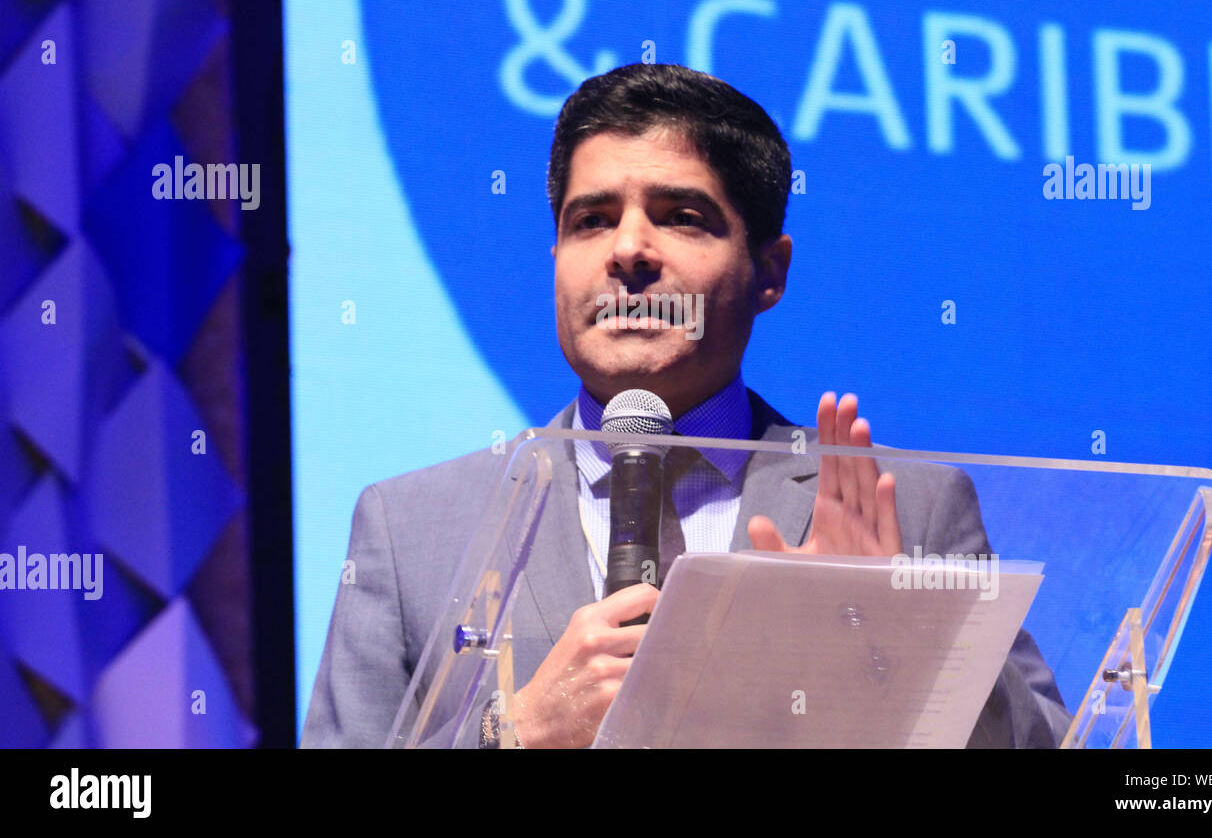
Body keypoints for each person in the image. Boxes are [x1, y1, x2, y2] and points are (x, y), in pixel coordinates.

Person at [301, 63, 1072, 748]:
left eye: (681, 217)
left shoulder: (911, 511)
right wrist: (513, 734)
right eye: (590, 220)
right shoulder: (410, 532)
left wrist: (909, 644)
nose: (627, 249)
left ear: (770, 271)